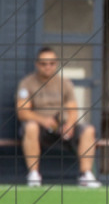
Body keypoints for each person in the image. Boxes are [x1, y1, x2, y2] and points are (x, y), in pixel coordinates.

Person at [16, 47, 101, 188]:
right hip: (39, 127)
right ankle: (34, 174)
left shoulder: (64, 83)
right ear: (37, 64)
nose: (47, 67)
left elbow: (73, 109)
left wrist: (69, 124)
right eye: (44, 64)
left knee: (88, 130)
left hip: (61, 126)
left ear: (56, 64)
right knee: (30, 127)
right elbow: (22, 112)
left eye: (51, 63)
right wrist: (43, 120)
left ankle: (86, 175)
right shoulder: (27, 83)